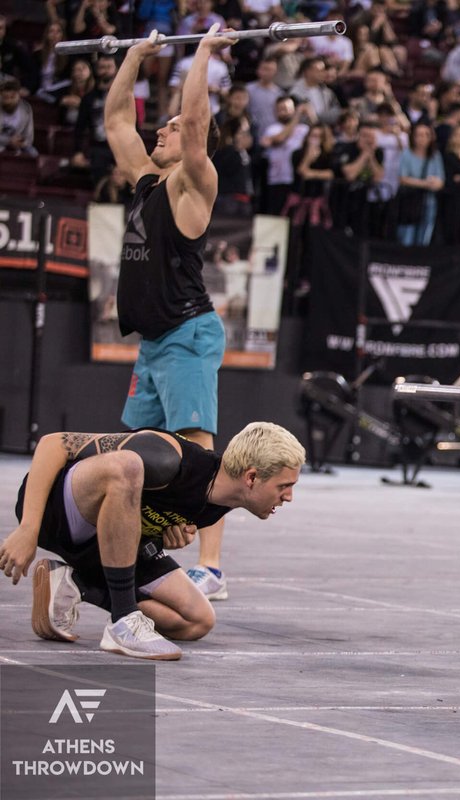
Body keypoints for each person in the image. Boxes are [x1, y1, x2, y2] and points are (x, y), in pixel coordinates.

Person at [105, 25, 237, 602]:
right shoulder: (146, 182)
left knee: (197, 449)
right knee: (140, 449)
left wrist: (202, 54)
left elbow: (198, 130)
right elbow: (115, 122)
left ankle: (210, 566)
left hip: (188, 334)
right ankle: (148, 543)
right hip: (155, 341)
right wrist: (135, 56)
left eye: (172, 125)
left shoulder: (193, 186)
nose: (161, 128)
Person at [0, 423, 304, 659]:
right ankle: (123, 621)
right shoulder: (168, 457)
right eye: (284, 486)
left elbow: (142, 513)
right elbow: (53, 443)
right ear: (251, 478)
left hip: (103, 542)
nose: (288, 497)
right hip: (61, 513)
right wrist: (28, 527)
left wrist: (161, 533)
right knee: (127, 467)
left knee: (197, 620)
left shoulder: (218, 503)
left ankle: (75, 585)